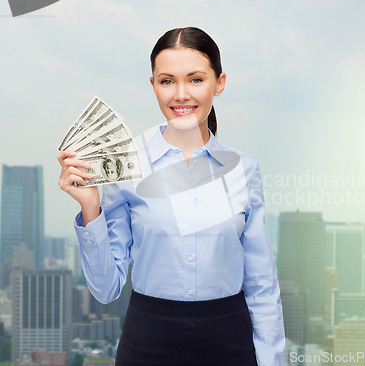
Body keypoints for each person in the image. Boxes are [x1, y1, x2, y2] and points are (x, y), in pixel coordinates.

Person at [57, 26, 285, 366]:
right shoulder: (127, 167)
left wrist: (272, 361)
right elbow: (106, 290)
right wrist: (91, 207)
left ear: (219, 83)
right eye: (167, 81)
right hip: (147, 339)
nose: (181, 94)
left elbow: (262, 284)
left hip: (230, 340)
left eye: (195, 80)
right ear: (153, 86)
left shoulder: (244, 169)